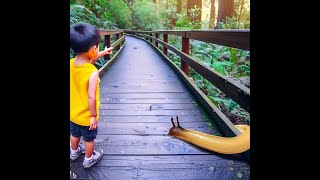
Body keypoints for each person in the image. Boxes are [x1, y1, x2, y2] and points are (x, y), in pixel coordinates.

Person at [70, 22, 113, 168]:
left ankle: (74, 152)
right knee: (89, 139)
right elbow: (91, 97)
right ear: (93, 48)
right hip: (87, 117)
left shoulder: (71, 64)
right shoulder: (92, 72)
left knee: (74, 134)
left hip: (73, 113)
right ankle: (89, 159)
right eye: (98, 48)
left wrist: (103, 53)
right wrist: (93, 116)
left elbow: (88, 59)